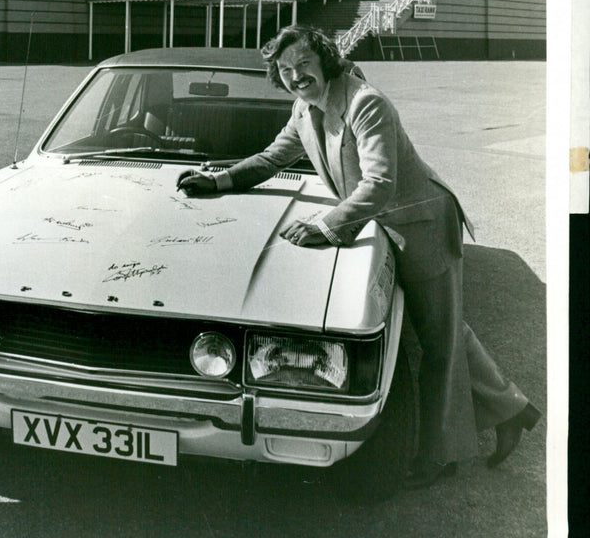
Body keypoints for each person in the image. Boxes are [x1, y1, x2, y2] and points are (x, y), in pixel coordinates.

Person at [177, 24, 540, 488]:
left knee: (440, 345)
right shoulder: (304, 108)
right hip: (387, 224)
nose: (296, 77)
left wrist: (326, 227)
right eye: (285, 70)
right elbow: (272, 158)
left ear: (324, 60)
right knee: (446, 329)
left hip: (421, 225)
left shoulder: (366, 103)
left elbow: (380, 183)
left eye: (304, 65)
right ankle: (514, 409)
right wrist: (220, 180)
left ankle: (439, 456)